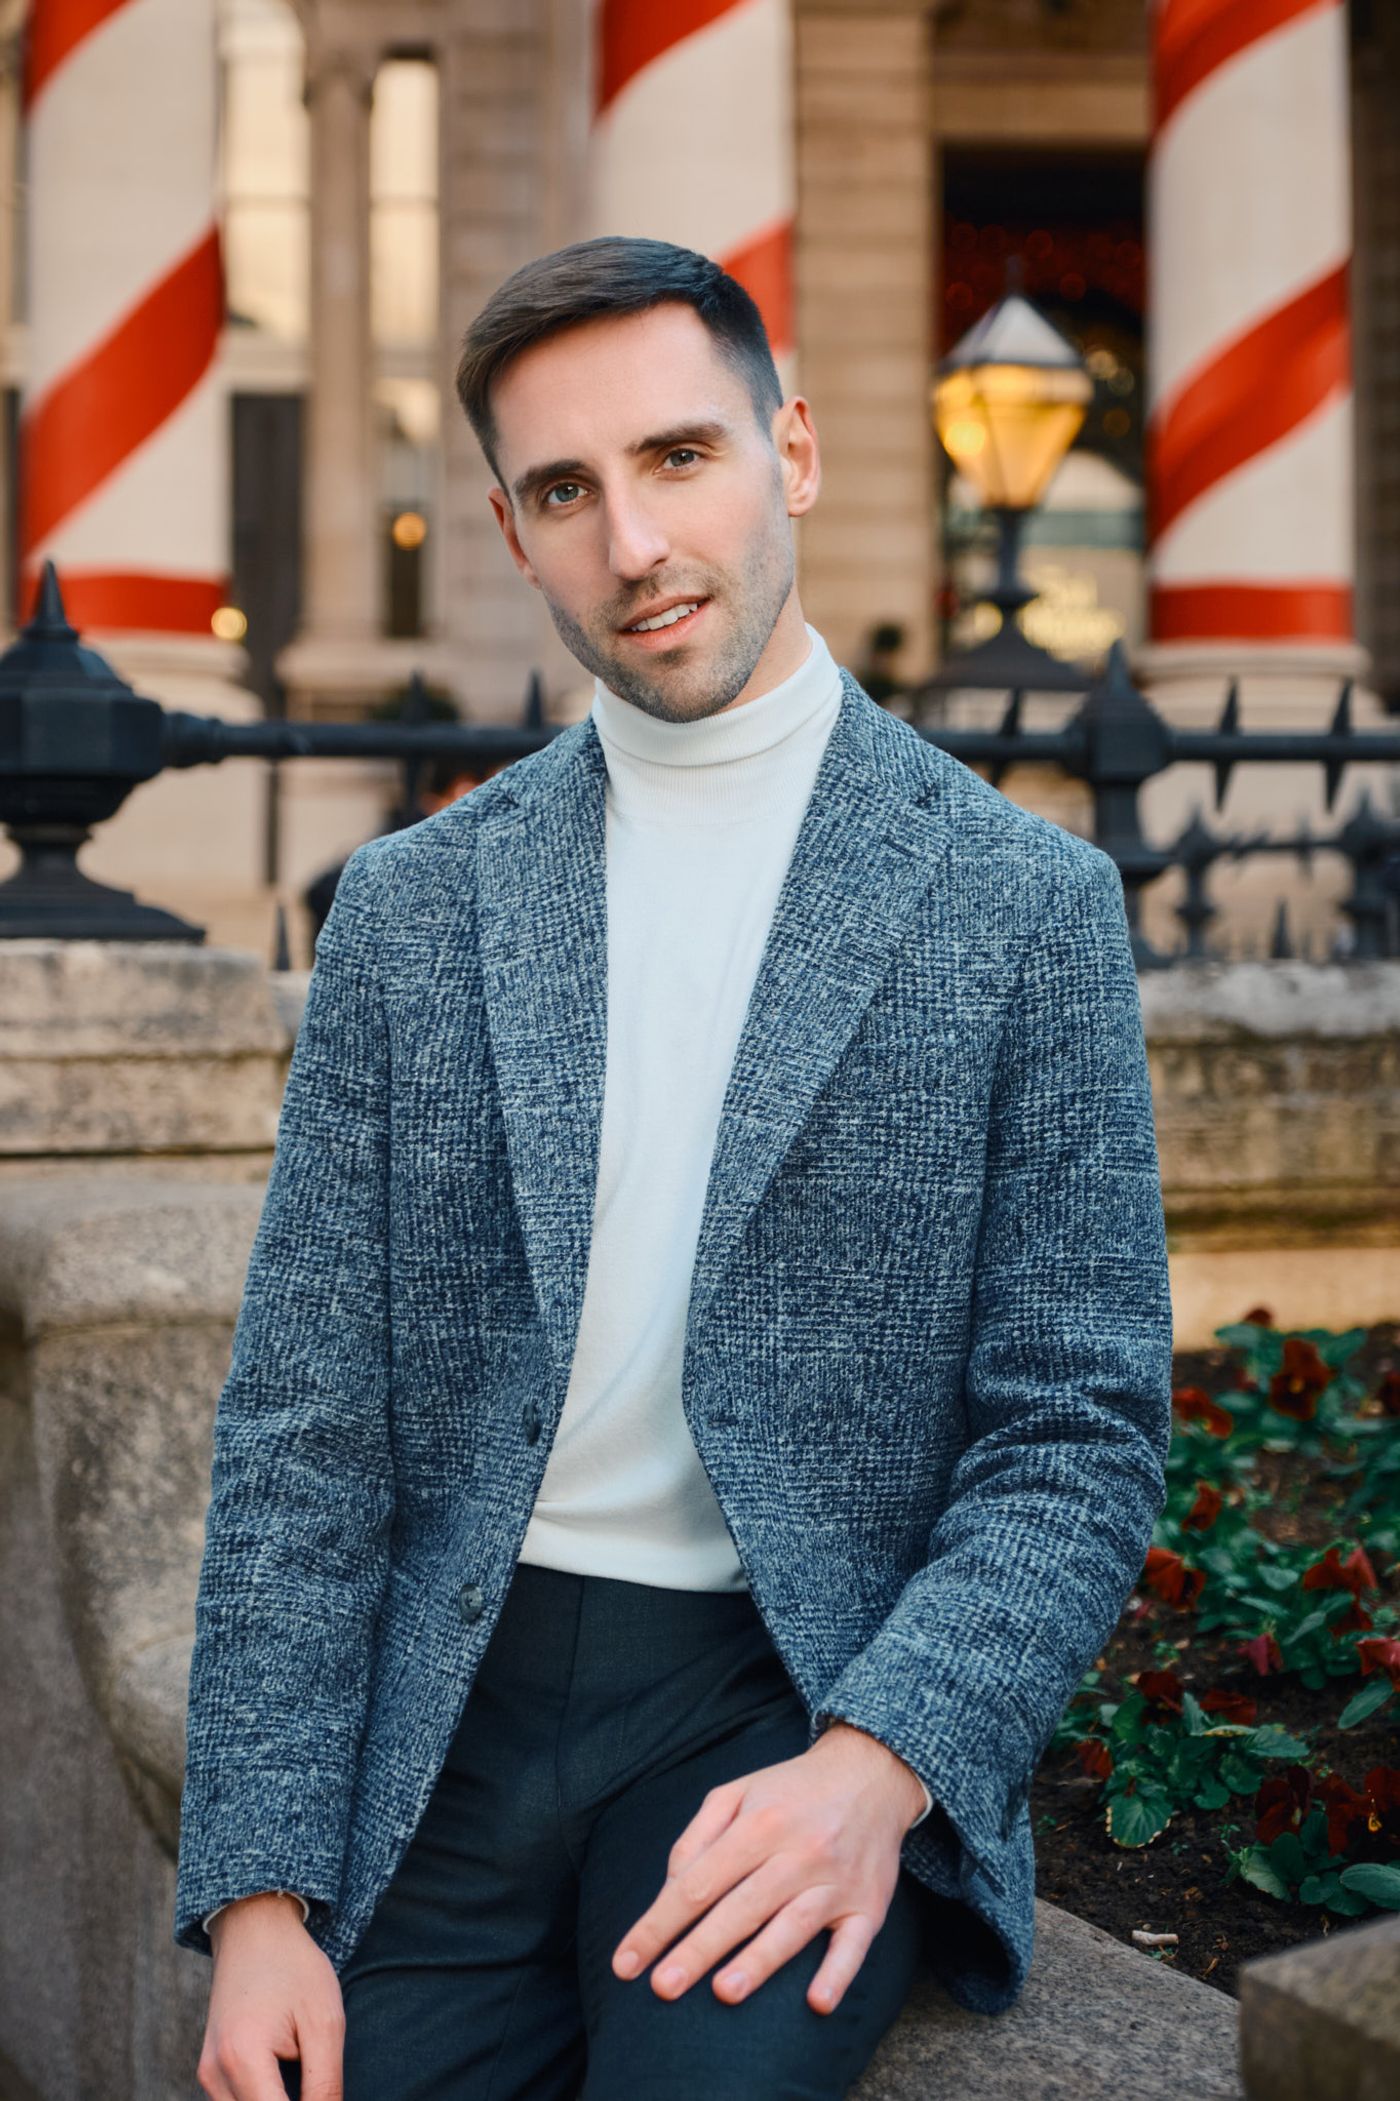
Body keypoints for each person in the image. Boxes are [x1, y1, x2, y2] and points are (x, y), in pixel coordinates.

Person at [174, 236, 1174, 2101]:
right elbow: (305, 1427)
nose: (631, 541)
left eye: (679, 459)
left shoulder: (1024, 905)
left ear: (790, 452)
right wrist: (254, 1893)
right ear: (512, 527)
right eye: (568, 490)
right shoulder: (412, 909)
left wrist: (883, 1764)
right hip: (453, 1694)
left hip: (778, 1682)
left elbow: (1081, 1424)